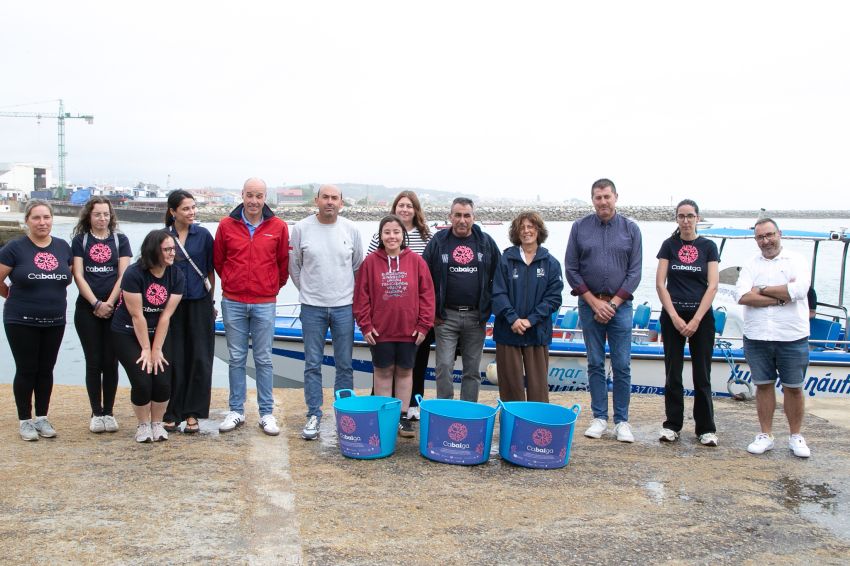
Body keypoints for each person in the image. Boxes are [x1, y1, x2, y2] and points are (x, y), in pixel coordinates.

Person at [565, 179, 642, 443]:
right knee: (595, 363)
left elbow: (635, 273)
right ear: (592, 199)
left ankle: (622, 421)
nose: (603, 202)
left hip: (620, 307)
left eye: (607, 197)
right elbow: (571, 269)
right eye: (598, 197)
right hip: (589, 305)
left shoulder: (631, 229)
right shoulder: (579, 228)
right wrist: (593, 302)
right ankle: (599, 417)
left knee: (622, 365)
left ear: (616, 197)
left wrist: (612, 304)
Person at [214, 178, 289, 436]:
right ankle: (236, 410)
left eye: (259, 196)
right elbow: (219, 260)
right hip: (233, 300)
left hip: (264, 301)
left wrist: (271, 287)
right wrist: (234, 283)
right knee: (236, 358)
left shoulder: (278, 226)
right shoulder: (226, 225)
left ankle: (266, 413)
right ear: (242, 195)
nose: (254, 201)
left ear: (265, 197)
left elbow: (282, 263)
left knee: (264, 358)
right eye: (250, 195)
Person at [289, 184, 363, 440]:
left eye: (334, 198)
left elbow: (357, 268)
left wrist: (348, 298)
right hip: (312, 307)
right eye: (325, 197)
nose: (329, 202)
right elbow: (295, 267)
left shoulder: (351, 230)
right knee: (312, 364)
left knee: (345, 365)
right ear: (316, 200)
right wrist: (309, 291)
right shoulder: (301, 229)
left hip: (344, 307)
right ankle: (313, 415)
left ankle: (346, 417)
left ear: (341, 202)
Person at [736, 218, 812, 458]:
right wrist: (782, 295)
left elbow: (799, 291)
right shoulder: (750, 264)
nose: (765, 241)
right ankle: (765, 434)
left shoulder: (797, 260)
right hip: (757, 335)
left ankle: (796, 436)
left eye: (769, 235)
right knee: (763, 385)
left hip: (792, 335)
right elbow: (742, 296)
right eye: (760, 237)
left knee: (794, 387)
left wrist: (762, 289)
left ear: (780, 233)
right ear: (755, 239)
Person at [355, 215, 435, 437]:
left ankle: (401, 418)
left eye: (396, 232)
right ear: (380, 236)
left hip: (409, 331)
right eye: (387, 232)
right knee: (382, 372)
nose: (392, 236)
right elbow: (361, 296)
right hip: (380, 331)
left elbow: (427, 295)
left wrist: (424, 325)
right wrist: (365, 325)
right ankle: (384, 417)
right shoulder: (370, 262)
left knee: (404, 372)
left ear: (403, 235)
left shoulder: (417, 262)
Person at [0, 200, 72, 441]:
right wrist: (12, 296)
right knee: (27, 369)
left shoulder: (63, 247)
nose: (42, 222)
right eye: (36, 218)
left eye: (46, 217)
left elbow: (69, 277)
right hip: (21, 319)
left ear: (52, 219)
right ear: (27, 221)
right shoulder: (15, 248)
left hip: (55, 319)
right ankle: (25, 421)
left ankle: (42, 417)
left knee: (46, 369)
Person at [655, 199, 720, 446]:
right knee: (673, 373)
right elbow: (661, 284)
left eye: (690, 216)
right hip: (673, 315)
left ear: (698, 218)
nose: (686, 221)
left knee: (702, 374)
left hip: (701, 318)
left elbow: (713, 285)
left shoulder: (708, 246)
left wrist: (695, 320)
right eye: (681, 216)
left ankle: (705, 428)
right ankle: (672, 425)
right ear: (676, 219)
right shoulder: (668, 246)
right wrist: (674, 316)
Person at [423, 197, 500, 402]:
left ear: (474, 218)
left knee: (472, 370)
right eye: (458, 215)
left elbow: (499, 276)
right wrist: (431, 311)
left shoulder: (486, 242)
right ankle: (445, 408)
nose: (462, 220)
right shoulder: (438, 241)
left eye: (467, 215)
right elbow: (424, 277)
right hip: (446, 317)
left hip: (476, 317)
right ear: (450, 217)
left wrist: (488, 307)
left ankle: (468, 410)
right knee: (444, 366)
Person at [111, 229, 184, 443]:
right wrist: (145, 350)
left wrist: (157, 349)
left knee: (162, 380)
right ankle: (143, 424)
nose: (172, 253)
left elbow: (166, 316)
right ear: (154, 251)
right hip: (128, 331)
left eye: (173, 248)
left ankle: (157, 423)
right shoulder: (134, 274)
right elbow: (137, 316)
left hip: (159, 332)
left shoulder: (176, 274)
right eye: (167, 249)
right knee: (142, 379)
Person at [71, 197, 132, 434]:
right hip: (87, 309)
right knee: (94, 361)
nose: (102, 218)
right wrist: (95, 303)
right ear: (89, 216)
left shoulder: (120, 240)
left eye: (106, 214)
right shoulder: (80, 241)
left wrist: (109, 303)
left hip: (115, 309)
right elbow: (78, 275)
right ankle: (96, 412)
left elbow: (123, 275)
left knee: (111, 361)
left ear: (111, 216)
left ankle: (109, 412)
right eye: (97, 214)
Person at [492, 212, 563, 402]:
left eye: (531, 226)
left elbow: (554, 298)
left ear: (539, 230)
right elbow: (497, 293)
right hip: (508, 331)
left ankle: (537, 426)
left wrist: (531, 320)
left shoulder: (551, 263)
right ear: (516, 232)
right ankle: (511, 425)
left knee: (538, 388)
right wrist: (513, 318)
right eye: (522, 227)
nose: (526, 231)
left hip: (537, 332)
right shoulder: (505, 260)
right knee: (510, 387)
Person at [162, 190, 216, 434]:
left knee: (199, 358)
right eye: (185, 208)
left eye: (193, 207)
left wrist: (212, 301)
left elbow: (210, 271)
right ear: (173, 212)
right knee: (173, 358)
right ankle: (171, 411)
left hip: (199, 302)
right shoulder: (162, 236)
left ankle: (193, 413)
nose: (192, 212)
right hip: (169, 306)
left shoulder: (203, 235)